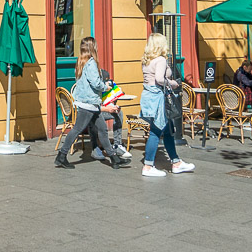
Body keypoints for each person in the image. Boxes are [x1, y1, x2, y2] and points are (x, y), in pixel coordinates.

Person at [54, 38, 128, 170]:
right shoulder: (91, 63)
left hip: (89, 103)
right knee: (77, 129)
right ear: (93, 47)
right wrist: (106, 87)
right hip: (89, 104)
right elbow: (96, 83)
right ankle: (61, 156)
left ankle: (114, 158)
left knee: (103, 129)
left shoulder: (80, 61)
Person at [139, 33, 193, 177]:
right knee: (156, 131)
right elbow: (159, 79)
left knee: (168, 130)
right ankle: (148, 166)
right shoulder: (161, 60)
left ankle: (176, 162)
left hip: (148, 96)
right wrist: (173, 83)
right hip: (158, 98)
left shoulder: (146, 60)